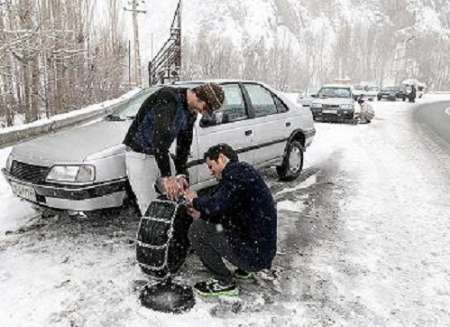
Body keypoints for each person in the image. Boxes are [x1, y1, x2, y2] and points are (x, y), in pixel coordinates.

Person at [184, 144, 278, 297]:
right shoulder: (243, 173)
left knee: (197, 230)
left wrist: (195, 200)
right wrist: (203, 214)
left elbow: (216, 206)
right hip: (261, 252)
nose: (211, 171)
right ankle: (245, 268)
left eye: (211, 166)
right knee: (214, 225)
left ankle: (224, 282)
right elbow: (226, 212)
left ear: (221, 158)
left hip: (255, 255)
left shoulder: (235, 175)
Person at [123, 83, 225, 215]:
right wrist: (167, 177)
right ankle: (152, 233)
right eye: (206, 108)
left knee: (177, 196)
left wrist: (181, 173)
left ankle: (173, 232)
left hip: (161, 155)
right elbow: (159, 140)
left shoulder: (191, 112)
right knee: (149, 207)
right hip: (139, 156)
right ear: (199, 96)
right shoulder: (168, 98)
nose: (203, 112)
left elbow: (183, 144)